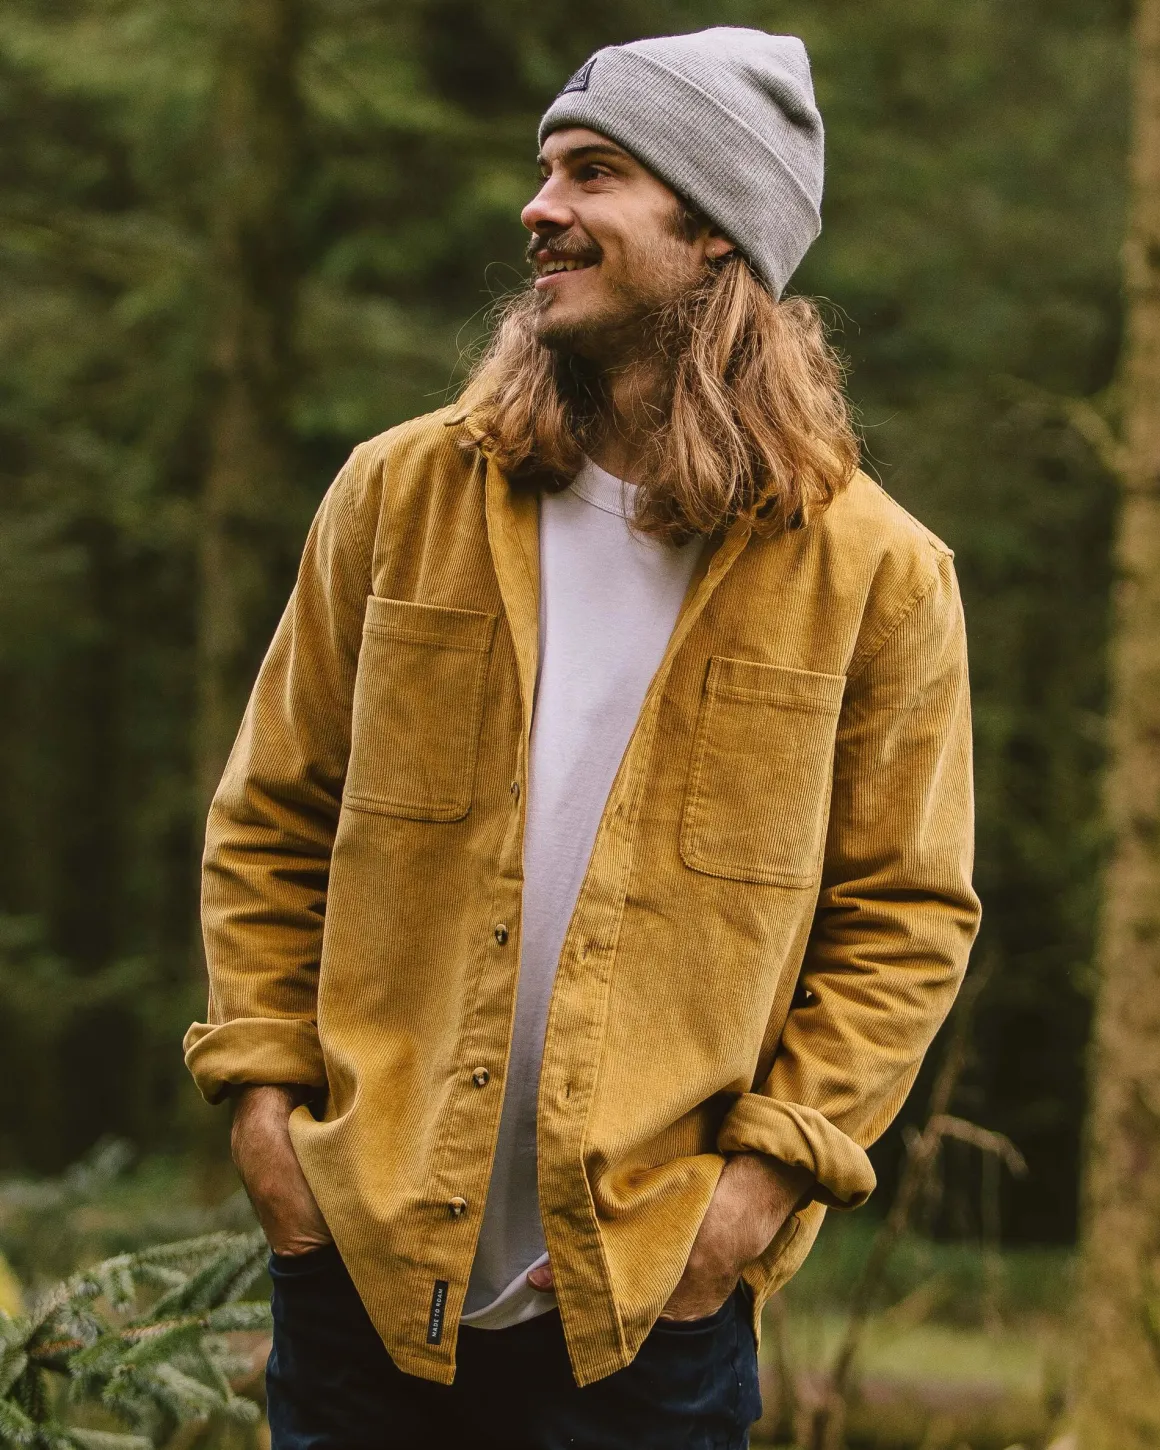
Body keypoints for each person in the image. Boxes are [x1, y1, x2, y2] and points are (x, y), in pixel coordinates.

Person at [184, 26, 981, 1450]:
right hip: (362, 1272)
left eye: (594, 173)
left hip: (651, 1316)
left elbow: (904, 918)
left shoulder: (879, 574)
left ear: (717, 229)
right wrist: (268, 1122)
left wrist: (744, 1205)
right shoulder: (398, 495)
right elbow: (271, 819)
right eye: (546, 168)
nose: (538, 208)